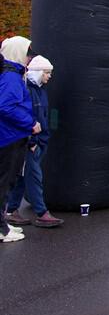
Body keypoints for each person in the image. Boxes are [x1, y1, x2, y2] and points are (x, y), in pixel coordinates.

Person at [5, 55, 63, 228]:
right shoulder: (28, 90)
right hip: (32, 141)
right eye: (46, 72)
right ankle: (42, 213)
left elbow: (43, 115)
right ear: (37, 72)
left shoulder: (40, 90)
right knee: (34, 176)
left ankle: (11, 210)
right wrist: (32, 141)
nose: (49, 76)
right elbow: (28, 116)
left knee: (22, 177)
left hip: (40, 140)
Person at [0, 36, 38, 243]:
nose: (30, 57)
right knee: (4, 183)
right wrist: (30, 123)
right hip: (9, 137)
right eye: (28, 53)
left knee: (6, 182)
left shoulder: (12, 74)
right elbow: (5, 106)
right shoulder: (11, 76)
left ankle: (2, 224)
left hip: (11, 135)